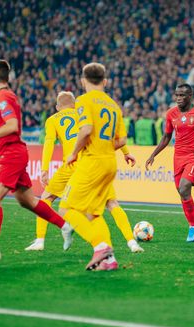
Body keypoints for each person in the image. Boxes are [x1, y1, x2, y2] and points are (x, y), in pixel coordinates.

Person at [0, 59, 72, 264]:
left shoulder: (2, 97)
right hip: (16, 153)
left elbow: (12, 126)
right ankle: (65, 226)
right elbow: (4, 126)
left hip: (11, 154)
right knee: (28, 201)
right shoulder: (8, 96)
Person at [25, 91, 144, 253]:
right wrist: (126, 152)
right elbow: (110, 134)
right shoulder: (86, 114)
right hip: (91, 162)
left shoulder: (52, 120)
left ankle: (40, 240)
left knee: (46, 198)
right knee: (111, 203)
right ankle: (132, 242)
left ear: (57, 106)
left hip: (70, 164)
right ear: (74, 105)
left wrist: (44, 169)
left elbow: (49, 143)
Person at [60, 62, 127, 271]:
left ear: (82, 81)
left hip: (92, 162)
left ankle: (99, 247)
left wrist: (73, 152)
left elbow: (86, 129)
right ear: (105, 81)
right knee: (93, 213)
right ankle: (109, 260)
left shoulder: (83, 100)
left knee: (67, 209)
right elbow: (122, 140)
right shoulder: (114, 105)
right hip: (110, 162)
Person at [145, 84, 194, 242]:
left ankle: (192, 228)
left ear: (190, 96)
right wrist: (153, 154)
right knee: (183, 193)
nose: (178, 99)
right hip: (178, 157)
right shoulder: (170, 114)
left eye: (182, 95)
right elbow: (166, 137)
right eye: (177, 95)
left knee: (184, 187)